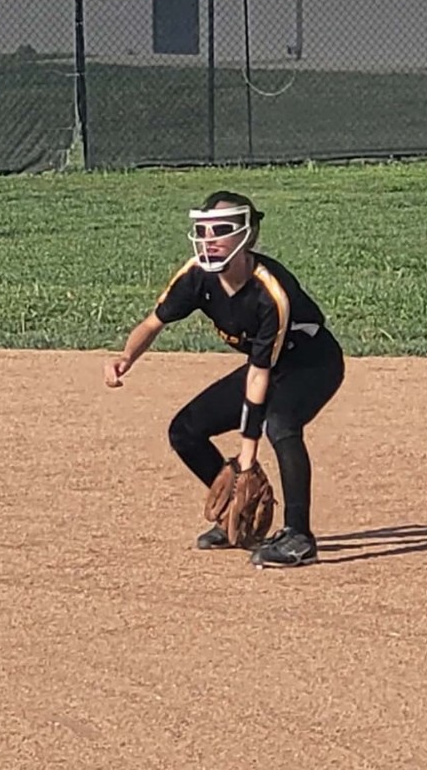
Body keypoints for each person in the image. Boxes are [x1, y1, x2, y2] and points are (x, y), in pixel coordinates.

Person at [103, 191, 345, 568]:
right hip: (265, 365)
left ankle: (299, 536)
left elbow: (260, 376)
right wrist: (125, 357)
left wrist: (246, 457)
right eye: (202, 229)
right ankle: (239, 513)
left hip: (312, 364)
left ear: (247, 236)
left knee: (281, 423)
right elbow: (154, 322)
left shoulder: (270, 292)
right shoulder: (197, 277)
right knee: (185, 430)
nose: (209, 238)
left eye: (221, 229)